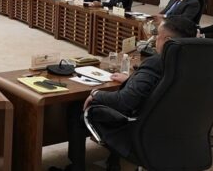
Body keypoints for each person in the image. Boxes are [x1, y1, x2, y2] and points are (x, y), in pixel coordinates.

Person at [51, 17, 197, 171]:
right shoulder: (196, 63)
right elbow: (163, 88)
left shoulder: (155, 62)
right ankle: (113, 163)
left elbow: (125, 101)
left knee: (77, 109)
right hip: (176, 130)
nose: (154, 41)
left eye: (157, 36)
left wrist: (96, 93)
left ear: (167, 41)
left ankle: (77, 168)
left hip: (139, 126)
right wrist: (132, 80)